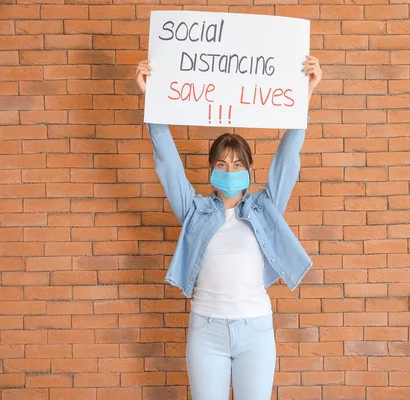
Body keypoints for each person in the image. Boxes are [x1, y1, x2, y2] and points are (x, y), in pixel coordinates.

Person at [135, 56, 322, 400]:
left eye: (237, 164)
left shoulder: (265, 208)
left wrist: (304, 95)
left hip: (256, 331)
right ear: (211, 170)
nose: (229, 169)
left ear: (249, 170)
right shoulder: (194, 211)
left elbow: (287, 158)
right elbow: (168, 164)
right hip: (206, 332)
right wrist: (152, 101)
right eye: (221, 163)